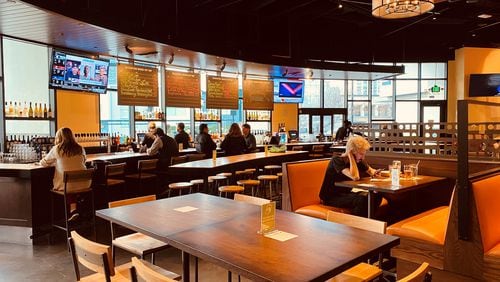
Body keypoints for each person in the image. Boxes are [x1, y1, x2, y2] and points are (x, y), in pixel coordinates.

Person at [319, 136, 381, 217]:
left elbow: (371, 171)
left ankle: (368, 223)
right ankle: (354, 226)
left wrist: (375, 173)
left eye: (364, 154)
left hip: (346, 194)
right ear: (352, 152)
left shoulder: (359, 160)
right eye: (361, 154)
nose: (363, 157)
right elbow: (355, 177)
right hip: (331, 198)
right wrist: (350, 155)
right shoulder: (337, 160)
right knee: (361, 200)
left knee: (376, 196)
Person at [39, 127, 89, 221]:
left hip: (68, 184)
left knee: (68, 184)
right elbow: (84, 160)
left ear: (59, 138)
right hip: (85, 183)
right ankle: (76, 209)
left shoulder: (57, 149)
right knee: (72, 183)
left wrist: (55, 162)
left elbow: (43, 163)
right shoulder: (80, 148)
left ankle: (71, 212)